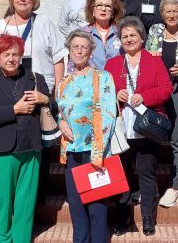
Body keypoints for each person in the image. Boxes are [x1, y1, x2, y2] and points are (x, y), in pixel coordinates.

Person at [0, 35, 52, 243]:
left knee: (25, 206)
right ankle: (3, 240)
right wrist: (14, 110)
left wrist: (45, 99)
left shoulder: (35, 78)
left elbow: (53, 110)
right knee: (3, 206)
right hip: (3, 152)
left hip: (31, 150)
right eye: (6, 54)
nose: (11, 59)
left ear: (21, 56)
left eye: (15, 54)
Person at [104, 16, 173, 236]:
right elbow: (104, 93)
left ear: (142, 38)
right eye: (125, 36)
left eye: (133, 35)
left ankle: (147, 219)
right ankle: (122, 219)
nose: (129, 39)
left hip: (146, 128)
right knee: (121, 175)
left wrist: (144, 96)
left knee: (146, 174)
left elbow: (166, 89)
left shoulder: (154, 61)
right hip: (121, 129)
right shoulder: (112, 64)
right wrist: (116, 94)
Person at [56, 29, 117, 243]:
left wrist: (98, 151)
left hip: (95, 152)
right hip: (73, 152)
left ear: (91, 51)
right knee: (77, 209)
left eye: (84, 47)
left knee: (97, 210)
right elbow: (60, 112)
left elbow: (110, 114)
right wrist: (60, 122)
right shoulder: (63, 82)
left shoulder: (103, 78)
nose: (79, 51)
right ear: (69, 51)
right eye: (75, 47)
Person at [145, 0, 178, 207]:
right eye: (168, 11)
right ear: (162, 14)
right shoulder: (155, 31)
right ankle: (149, 184)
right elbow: (147, 58)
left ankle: (174, 186)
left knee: (177, 138)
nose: (172, 15)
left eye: (175, 11)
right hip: (156, 90)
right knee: (151, 136)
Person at [0, 0, 67, 92]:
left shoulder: (44, 23)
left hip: (40, 90)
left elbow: (58, 58)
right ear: (12, 0)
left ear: (34, 0)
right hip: (8, 92)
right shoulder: (1, 27)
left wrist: (58, 91)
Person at [81, 0, 124, 70]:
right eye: (99, 5)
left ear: (113, 12)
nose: (103, 9)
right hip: (90, 80)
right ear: (92, 10)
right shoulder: (82, 34)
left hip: (117, 80)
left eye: (108, 6)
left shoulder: (122, 33)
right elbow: (73, 63)